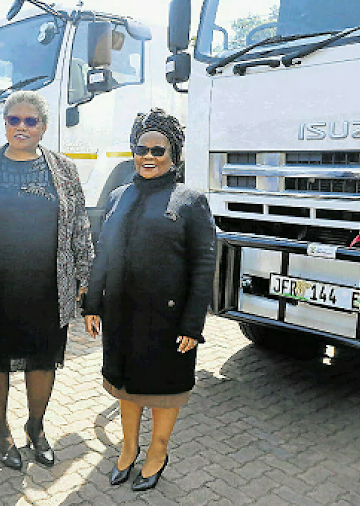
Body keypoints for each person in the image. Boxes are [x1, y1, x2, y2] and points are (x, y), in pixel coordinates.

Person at [83, 108, 216, 492]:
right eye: (142, 149)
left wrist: (193, 324)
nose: (149, 157)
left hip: (169, 320)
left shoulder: (191, 201)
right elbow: (102, 252)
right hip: (122, 314)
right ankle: (127, 449)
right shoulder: (119, 196)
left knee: (163, 389)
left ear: (173, 155)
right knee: (126, 387)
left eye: (159, 151)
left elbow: (204, 266)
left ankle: (157, 452)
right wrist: (93, 303)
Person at [0, 90, 94, 470]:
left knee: (43, 362)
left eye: (30, 121)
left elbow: (80, 224)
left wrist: (85, 276)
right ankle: (0, 429)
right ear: (5, 124)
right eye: (13, 120)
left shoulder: (64, 169)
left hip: (47, 287)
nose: (21, 127)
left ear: (43, 127)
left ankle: (35, 427)